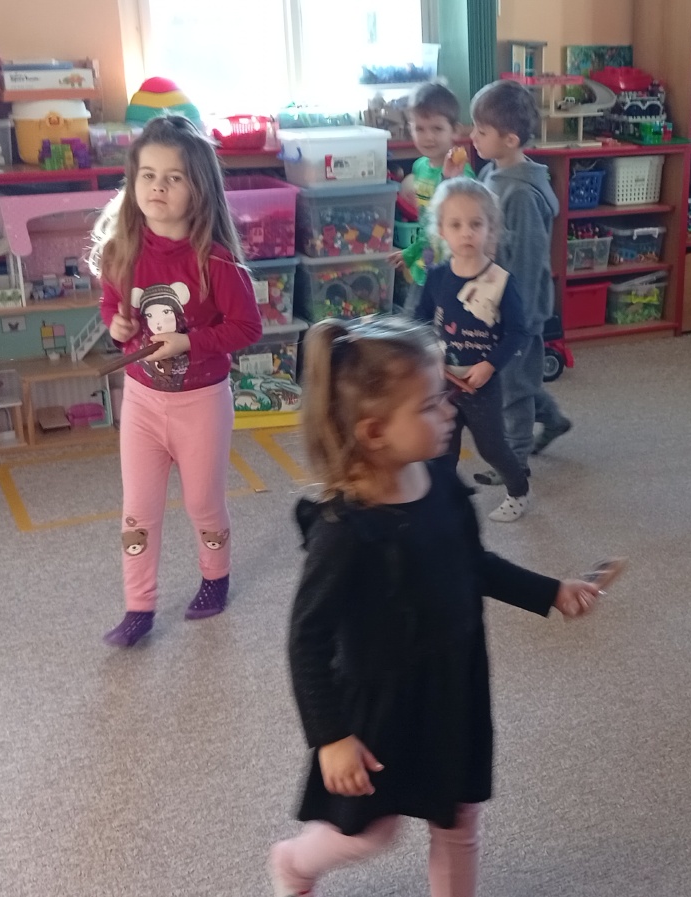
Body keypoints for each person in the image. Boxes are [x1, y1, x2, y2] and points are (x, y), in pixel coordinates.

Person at [270, 316, 600, 897]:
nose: (451, 410)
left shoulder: (444, 487)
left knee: (459, 819)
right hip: (380, 703)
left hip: (453, 686)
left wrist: (549, 591)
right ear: (375, 431)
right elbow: (307, 639)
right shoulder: (344, 531)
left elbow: (473, 565)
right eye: (430, 404)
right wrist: (330, 737)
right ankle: (294, 862)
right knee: (369, 833)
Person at [90, 115, 263, 647]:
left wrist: (189, 341)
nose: (157, 187)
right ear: (133, 181)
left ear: (199, 187)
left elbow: (247, 328)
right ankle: (138, 607)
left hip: (201, 404)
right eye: (147, 175)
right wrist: (117, 327)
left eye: (173, 177)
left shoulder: (216, 261)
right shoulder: (122, 249)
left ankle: (215, 578)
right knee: (137, 512)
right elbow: (114, 308)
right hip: (142, 402)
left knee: (203, 505)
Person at [412, 178, 534, 521]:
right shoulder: (436, 277)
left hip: (482, 386)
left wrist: (490, 365)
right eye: (456, 225)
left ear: (490, 229)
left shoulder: (501, 281)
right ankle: (444, 501)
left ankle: (519, 491)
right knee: (443, 448)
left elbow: (518, 331)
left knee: (491, 447)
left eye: (476, 224)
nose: (466, 232)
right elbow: (420, 321)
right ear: (441, 230)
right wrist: (429, 357)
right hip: (443, 383)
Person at [470, 80, 574, 469]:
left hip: (518, 309)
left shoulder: (522, 195)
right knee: (509, 378)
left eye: (481, 131)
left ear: (510, 139)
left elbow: (529, 263)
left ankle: (514, 460)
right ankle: (553, 418)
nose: (472, 136)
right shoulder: (491, 174)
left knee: (513, 386)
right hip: (493, 301)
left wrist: (519, 317)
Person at [394, 82, 471, 312]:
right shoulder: (420, 167)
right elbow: (427, 223)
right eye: (420, 129)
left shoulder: (461, 173)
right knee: (414, 321)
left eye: (437, 128)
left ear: (454, 130)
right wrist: (411, 253)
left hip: (451, 270)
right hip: (424, 266)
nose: (428, 137)